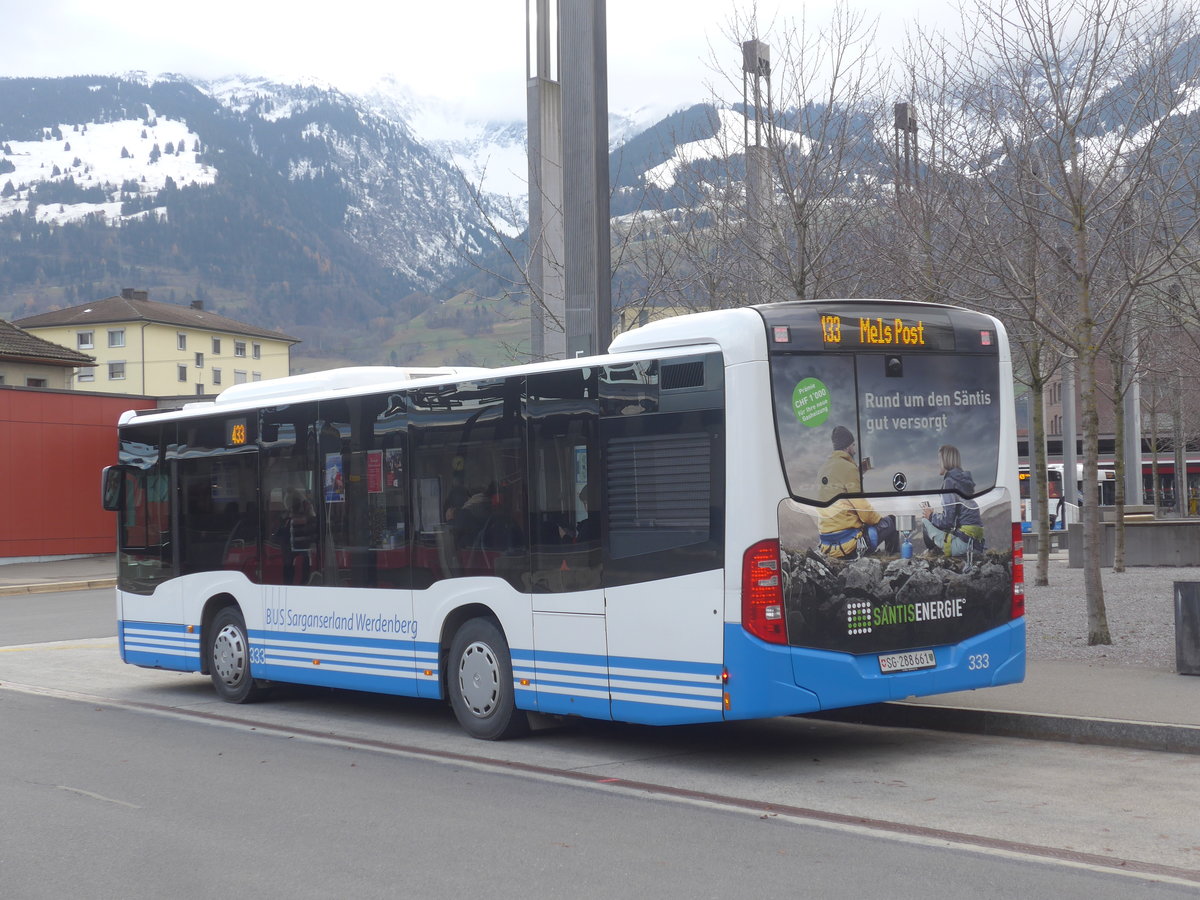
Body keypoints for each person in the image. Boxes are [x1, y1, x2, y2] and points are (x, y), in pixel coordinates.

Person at [816, 424, 897, 559]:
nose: (855, 450)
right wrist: (880, 520)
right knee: (891, 521)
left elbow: (838, 487)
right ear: (848, 447)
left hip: (827, 544)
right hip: (848, 546)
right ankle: (892, 559)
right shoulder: (849, 468)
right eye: (853, 445)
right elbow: (865, 513)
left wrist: (858, 474)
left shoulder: (823, 468)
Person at [919, 444, 984, 558]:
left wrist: (931, 516)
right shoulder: (963, 481)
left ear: (945, 460)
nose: (938, 463)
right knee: (934, 520)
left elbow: (947, 521)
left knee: (925, 521)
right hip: (976, 543)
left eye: (939, 459)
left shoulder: (949, 482)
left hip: (963, 544)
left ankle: (933, 552)